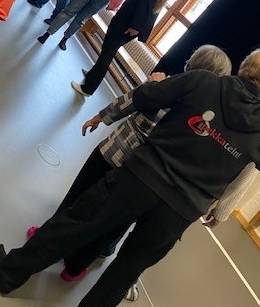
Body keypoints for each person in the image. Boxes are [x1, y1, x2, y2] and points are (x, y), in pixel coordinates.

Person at [0, 49, 260, 306]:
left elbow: (146, 98)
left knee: (77, 223)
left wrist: (161, 88)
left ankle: (10, 272)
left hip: (141, 178)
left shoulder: (203, 81)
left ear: (243, 67)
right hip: (180, 209)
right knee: (126, 270)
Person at [25, 45, 232, 295]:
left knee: (77, 198)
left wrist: (102, 116)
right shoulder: (206, 120)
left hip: (113, 153)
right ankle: (75, 267)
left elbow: (132, 101)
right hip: (141, 175)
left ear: (192, 63)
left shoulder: (167, 86)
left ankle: (44, 238)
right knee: (109, 223)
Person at [71, 0, 183, 97]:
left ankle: (88, 88)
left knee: (107, 54)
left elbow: (144, 7)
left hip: (127, 24)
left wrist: (134, 27)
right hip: (130, 24)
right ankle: (93, 75)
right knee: (107, 51)